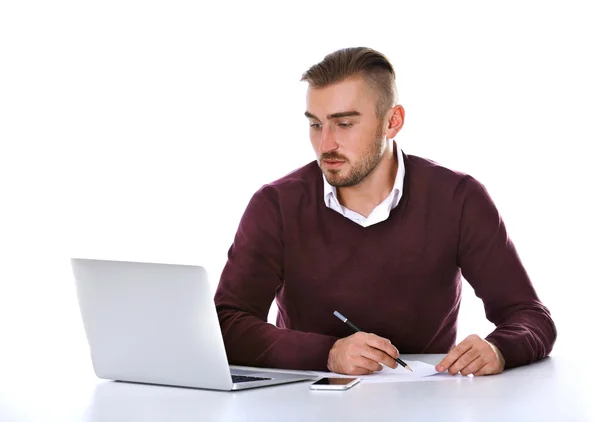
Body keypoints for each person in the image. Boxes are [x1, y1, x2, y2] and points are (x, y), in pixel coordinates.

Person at [214, 47, 557, 377]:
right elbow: (225, 324)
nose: (326, 144)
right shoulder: (276, 205)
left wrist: (498, 349)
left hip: (427, 402)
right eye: (316, 124)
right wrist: (328, 354)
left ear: (393, 122)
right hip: (308, 402)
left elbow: (530, 317)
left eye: (344, 124)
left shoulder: (458, 198)